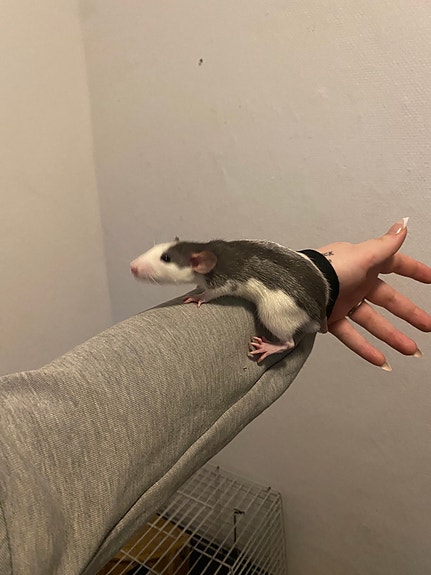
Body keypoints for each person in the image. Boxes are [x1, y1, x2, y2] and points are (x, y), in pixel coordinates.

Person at [0, 220, 430, 575]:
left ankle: (282, 342)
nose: (140, 266)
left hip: (292, 304)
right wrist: (321, 269)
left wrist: (318, 277)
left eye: (161, 260)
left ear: (198, 262)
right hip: (299, 284)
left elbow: (231, 286)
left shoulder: (216, 272)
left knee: (275, 312)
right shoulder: (212, 261)